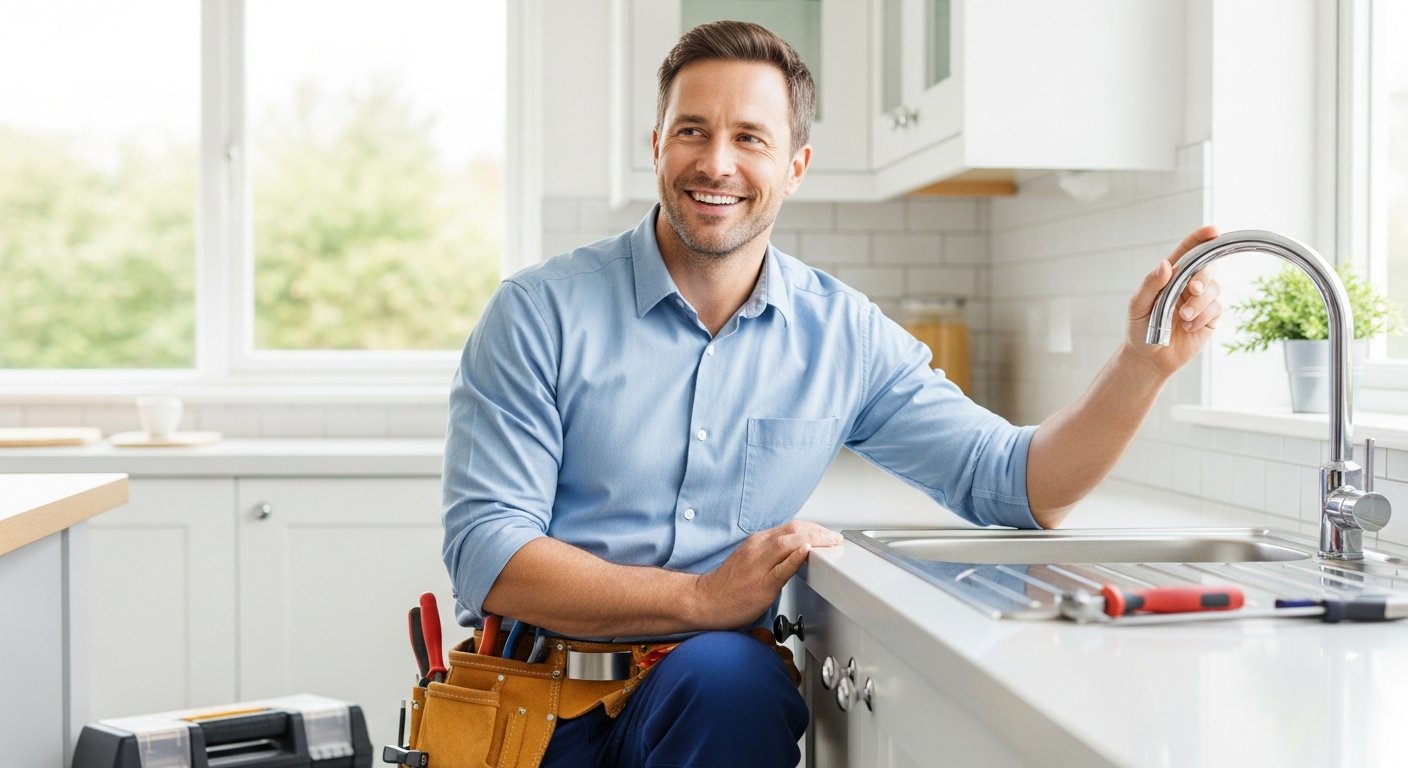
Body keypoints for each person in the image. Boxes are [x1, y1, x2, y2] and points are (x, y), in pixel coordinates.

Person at [441, 19, 1221, 768]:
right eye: (692, 131)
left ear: (796, 166)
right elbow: (488, 552)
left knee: (734, 682)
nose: (716, 162)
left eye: (750, 138)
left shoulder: (841, 334)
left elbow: (1018, 484)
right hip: (531, 704)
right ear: (656, 146)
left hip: (707, 698)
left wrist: (1140, 365)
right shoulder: (539, 313)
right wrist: (702, 598)